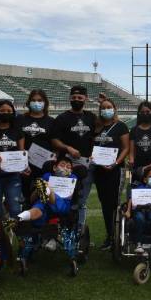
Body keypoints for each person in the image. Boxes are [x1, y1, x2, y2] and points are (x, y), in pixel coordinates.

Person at [51, 85, 97, 229]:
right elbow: (54, 140)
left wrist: (95, 153)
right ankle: (63, 229)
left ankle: (79, 231)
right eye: (74, 97)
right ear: (70, 98)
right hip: (66, 166)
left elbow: (99, 134)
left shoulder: (91, 117)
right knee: (65, 198)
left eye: (80, 97)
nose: (77, 100)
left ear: (86, 99)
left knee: (81, 201)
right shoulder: (62, 118)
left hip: (86, 165)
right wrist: (67, 148)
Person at [92, 98, 130, 250]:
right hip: (99, 170)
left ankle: (119, 235)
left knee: (114, 203)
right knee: (104, 204)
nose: (106, 110)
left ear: (114, 109)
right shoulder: (97, 127)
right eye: (103, 107)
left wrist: (115, 163)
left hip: (115, 170)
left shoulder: (121, 126)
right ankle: (110, 235)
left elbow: (126, 148)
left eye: (109, 107)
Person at [19, 89, 55, 202]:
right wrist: (22, 161)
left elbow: (54, 143)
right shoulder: (21, 119)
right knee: (25, 197)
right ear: (29, 102)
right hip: (25, 165)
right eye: (33, 100)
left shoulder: (51, 121)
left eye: (39, 100)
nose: (36, 103)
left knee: (42, 197)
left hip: (43, 165)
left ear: (45, 103)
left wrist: (54, 156)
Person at [125, 168, 151, 253]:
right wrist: (128, 211)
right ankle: (138, 243)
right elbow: (131, 199)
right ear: (145, 179)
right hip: (139, 210)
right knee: (139, 219)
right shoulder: (138, 188)